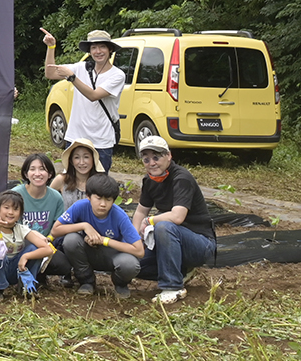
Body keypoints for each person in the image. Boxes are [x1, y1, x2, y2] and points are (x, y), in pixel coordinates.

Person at [131, 135, 217, 305]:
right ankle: (182, 271)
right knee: (133, 265)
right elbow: (140, 211)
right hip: (171, 242)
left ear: (169, 156)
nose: (152, 163)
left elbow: (177, 216)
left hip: (200, 242)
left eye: (156, 157)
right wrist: (134, 241)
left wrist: (150, 221)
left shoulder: (181, 178)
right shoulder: (149, 180)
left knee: (163, 226)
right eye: (146, 159)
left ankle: (173, 286)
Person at [42, 29, 126, 171]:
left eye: (102, 47)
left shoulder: (117, 75)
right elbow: (50, 73)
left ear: (110, 49)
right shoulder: (81, 67)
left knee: (98, 188)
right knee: (72, 182)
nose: (98, 51)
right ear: (89, 51)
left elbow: (93, 95)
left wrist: (72, 78)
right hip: (75, 138)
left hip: (101, 141)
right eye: (93, 47)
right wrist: (51, 47)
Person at [52, 173, 144, 297]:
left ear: (114, 200)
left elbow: (139, 251)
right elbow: (55, 230)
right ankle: (86, 281)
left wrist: (105, 241)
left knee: (130, 264)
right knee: (71, 240)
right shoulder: (80, 206)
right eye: (98, 198)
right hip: (89, 252)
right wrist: (84, 226)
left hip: (113, 254)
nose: (103, 204)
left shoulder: (119, 215)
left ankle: (120, 283)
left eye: (108, 199)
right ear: (88, 196)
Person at [0, 191, 54, 299]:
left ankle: (26, 285)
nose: (11, 212)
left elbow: (48, 250)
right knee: (0, 256)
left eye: (15, 209)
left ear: (20, 214)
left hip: (16, 268)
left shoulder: (21, 229)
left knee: (33, 248)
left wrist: (25, 256)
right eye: (6, 208)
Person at [12, 152, 70, 284]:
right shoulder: (16, 194)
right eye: (32, 169)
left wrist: (48, 239)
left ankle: (38, 273)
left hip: (44, 244)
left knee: (63, 265)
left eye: (42, 169)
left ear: (49, 174)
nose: (37, 173)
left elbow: (57, 226)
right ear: (26, 174)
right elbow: (10, 225)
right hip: (19, 243)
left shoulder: (56, 197)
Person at [52, 139, 105, 207]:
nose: (82, 162)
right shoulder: (62, 180)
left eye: (86, 157)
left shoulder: (101, 182)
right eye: (77, 157)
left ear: (93, 159)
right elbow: (46, 201)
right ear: (71, 161)